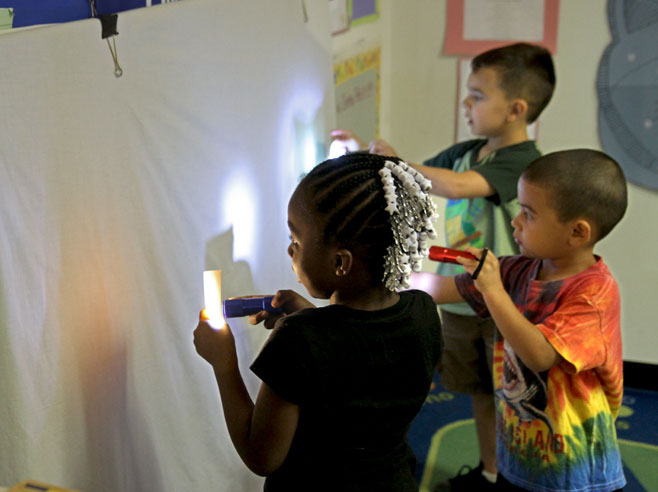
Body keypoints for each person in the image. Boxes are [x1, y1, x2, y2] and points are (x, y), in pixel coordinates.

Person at [331, 42, 556, 489]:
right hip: (459, 301)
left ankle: (516, 476)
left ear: (515, 109)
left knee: (512, 397)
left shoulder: (523, 163)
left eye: (477, 95)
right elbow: (417, 176)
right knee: (478, 392)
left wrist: (392, 161)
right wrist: (369, 156)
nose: (465, 103)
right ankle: (492, 472)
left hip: (501, 304)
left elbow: (454, 186)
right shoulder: (468, 149)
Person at [193, 152, 443, 491]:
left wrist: (224, 364)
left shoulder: (299, 339)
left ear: (341, 262)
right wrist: (312, 316)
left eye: (296, 241)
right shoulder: (423, 312)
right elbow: (360, 356)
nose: (289, 251)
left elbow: (261, 456)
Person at [415, 149, 628, 491]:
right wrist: (388, 273)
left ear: (577, 232)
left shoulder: (594, 294)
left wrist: (493, 292)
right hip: (519, 455)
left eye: (528, 214)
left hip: (573, 470)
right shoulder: (517, 268)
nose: (515, 222)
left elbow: (540, 355)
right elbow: (439, 288)